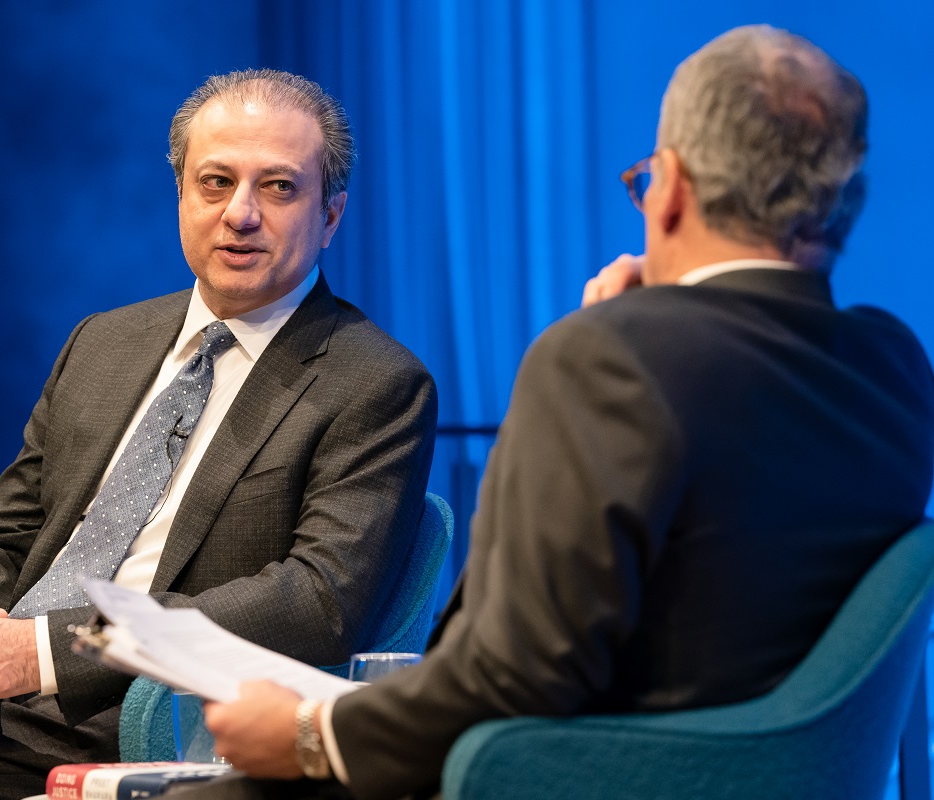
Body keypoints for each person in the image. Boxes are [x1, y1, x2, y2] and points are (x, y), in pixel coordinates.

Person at [195, 25, 934, 800]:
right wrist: (627, 338)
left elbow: (515, 675)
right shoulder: (893, 365)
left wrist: (313, 732)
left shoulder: (608, 359)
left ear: (672, 186)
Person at [0, 69, 437, 799]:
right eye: (216, 182)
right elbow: (7, 538)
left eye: (279, 187)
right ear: (182, 196)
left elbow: (317, 599)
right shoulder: (104, 343)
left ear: (331, 214)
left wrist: (45, 652)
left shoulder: (373, 382)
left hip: (136, 706)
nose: (240, 214)